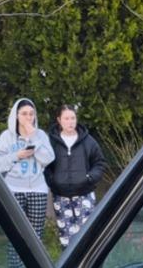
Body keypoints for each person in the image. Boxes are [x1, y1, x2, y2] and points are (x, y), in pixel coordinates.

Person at [0, 99, 53, 248]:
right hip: (14, 189)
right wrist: (16, 156)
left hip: (38, 190)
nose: (28, 117)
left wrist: (34, 138)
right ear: (16, 116)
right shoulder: (7, 136)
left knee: (35, 235)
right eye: (24, 114)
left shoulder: (41, 135)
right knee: (15, 234)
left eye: (31, 114)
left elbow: (49, 158)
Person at [45, 105, 106, 249]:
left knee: (88, 238)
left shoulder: (88, 141)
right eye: (66, 118)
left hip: (84, 195)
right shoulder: (51, 142)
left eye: (73, 118)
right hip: (61, 198)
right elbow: (45, 166)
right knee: (67, 240)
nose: (70, 122)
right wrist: (52, 181)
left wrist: (89, 178)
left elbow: (100, 163)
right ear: (59, 120)